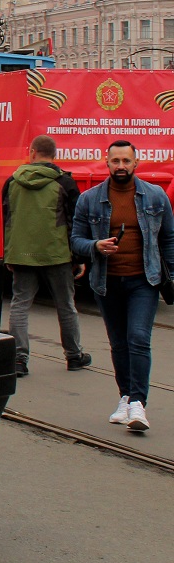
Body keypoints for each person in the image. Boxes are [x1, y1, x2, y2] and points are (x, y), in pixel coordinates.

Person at [71, 139, 174, 432]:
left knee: (138, 338)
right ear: (107, 163)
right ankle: (125, 397)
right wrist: (95, 246)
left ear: (136, 163)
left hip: (144, 281)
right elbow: (75, 240)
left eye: (126, 161)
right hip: (107, 283)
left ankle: (138, 404)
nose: (120, 166)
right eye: (115, 161)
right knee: (118, 343)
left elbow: (168, 238)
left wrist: (173, 275)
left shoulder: (155, 197)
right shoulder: (89, 199)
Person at [1, 134, 90, 377]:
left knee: (20, 305)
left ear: (31, 153)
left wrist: (9, 253)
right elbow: (75, 222)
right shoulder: (65, 183)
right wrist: (78, 257)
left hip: (21, 254)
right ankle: (73, 356)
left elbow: (6, 219)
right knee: (66, 305)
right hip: (57, 255)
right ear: (54, 155)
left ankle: (19, 359)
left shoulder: (12, 182)